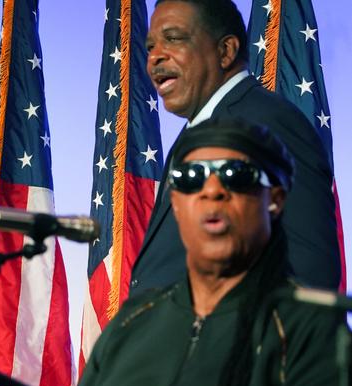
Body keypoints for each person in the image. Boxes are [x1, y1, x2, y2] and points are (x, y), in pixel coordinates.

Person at [27, 119, 342, 386]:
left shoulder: (309, 325)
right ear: (176, 204)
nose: (212, 190)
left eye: (236, 175)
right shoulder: (135, 319)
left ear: (275, 200)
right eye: (192, 177)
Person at [130, 0, 339, 295]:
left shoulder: (267, 122)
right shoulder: (193, 136)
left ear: (226, 51)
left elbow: (306, 278)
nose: (154, 57)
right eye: (150, 46)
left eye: (173, 38)